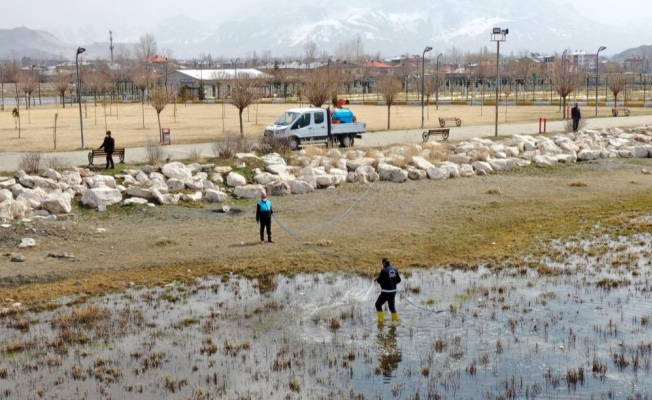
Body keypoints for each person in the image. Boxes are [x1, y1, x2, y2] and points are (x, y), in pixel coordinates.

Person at [375, 258, 401, 323]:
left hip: (385, 292)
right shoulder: (395, 269)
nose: (382, 265)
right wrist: (392, 283)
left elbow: (379, 280)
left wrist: (377, 279)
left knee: (378, 304)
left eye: (382, 264)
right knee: (392, 307)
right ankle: (395, 321)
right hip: (393, 292)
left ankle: (381, 322)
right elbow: (399, 280)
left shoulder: (383, 270)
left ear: (384, 263)